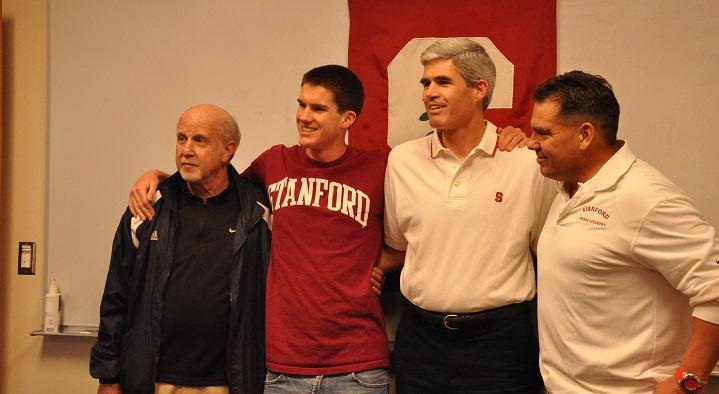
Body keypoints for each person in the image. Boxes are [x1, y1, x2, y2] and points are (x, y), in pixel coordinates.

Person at [128, 65, 392, 393]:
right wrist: (159, 175)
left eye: (318, 108)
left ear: (347, 119)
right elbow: (219, 183)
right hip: (282, 367)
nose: (304, 116)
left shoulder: (380, 168)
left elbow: (417, 238)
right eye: (301, 104)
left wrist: (380, 265)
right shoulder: (274, 163)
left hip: (358, 366)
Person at [380, 38, 555, 393]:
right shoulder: (402, 160)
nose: (429, 92)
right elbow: (397, 246)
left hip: (500, 344)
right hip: (420, 341)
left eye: (443, 82)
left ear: (479, 89)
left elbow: (547, 252)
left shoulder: (524, 162)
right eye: (425, 83)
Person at [527, 70, 719, 393]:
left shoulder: (647, 198)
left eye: (544, 133)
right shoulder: (566, 187)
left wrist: (689, 381)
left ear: (585, 135)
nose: (533, 143)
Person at [89, 104, 272, 394]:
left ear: (228, 150)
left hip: (229, 382)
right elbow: (116, 297)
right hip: (154, 380)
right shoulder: (147, 207)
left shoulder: (259, 213)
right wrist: (108, 377)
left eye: (199, 140)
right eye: (181, 138)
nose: (186, 149)